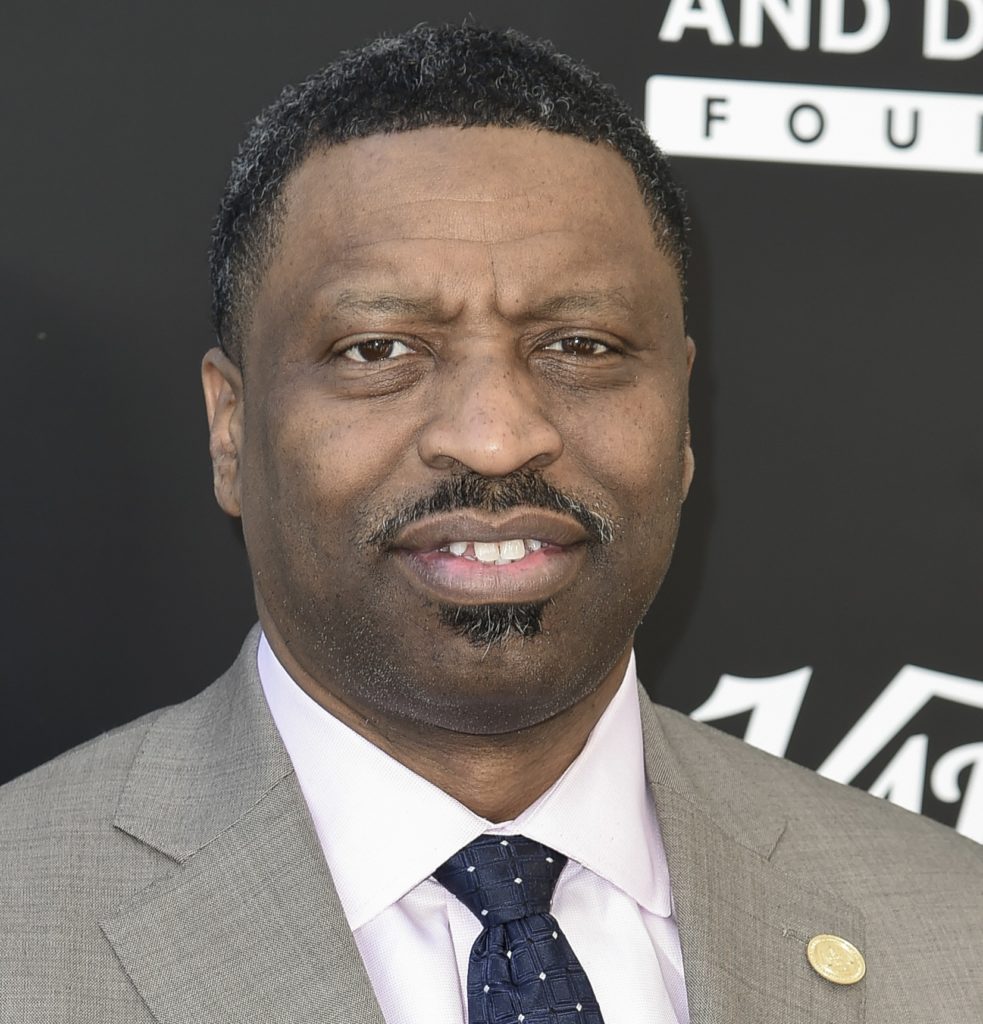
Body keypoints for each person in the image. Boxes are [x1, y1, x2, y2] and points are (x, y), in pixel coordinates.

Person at [2, 22, 981, 1024]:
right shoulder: (19, 925)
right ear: (231, 427)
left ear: (683, 413)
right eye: (379, 347)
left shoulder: (952, 932)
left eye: (580, 343)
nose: (495, 435)